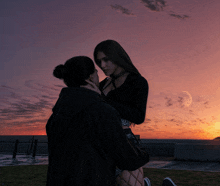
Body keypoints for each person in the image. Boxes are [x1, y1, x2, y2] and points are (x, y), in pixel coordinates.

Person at [46, 56, 149, 186]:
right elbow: (128, 160)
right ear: (90, 78)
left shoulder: (55, 116)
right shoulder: (102, 112)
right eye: (96, 71)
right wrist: (143, 152)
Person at [93, 40, 177, 186]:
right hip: (99, 143)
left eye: (106, 60)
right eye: (99, 61)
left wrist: (104, 100)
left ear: (117, 56)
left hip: (123, 142)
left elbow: (138, 116)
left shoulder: (138, 82)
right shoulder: (102, 84)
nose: (102, 65)